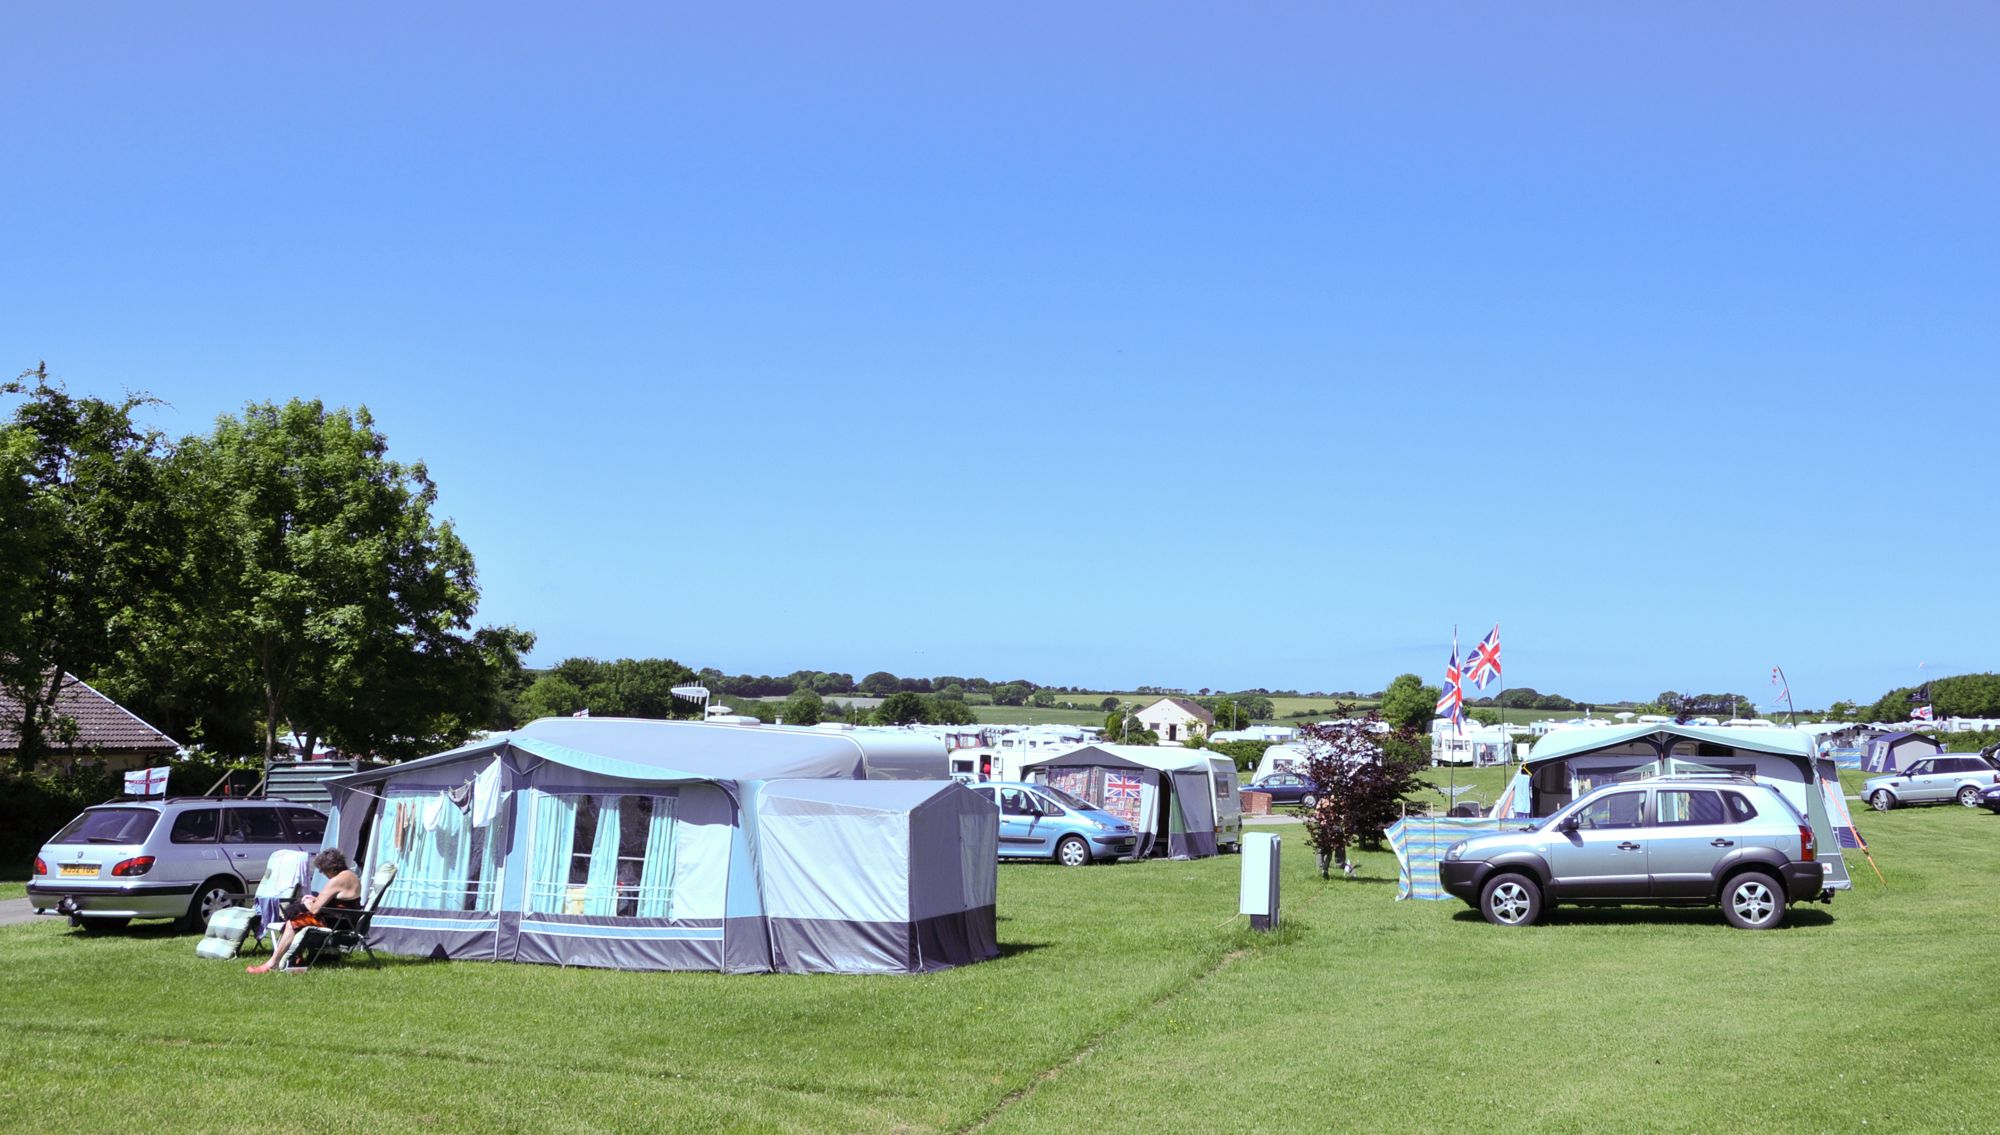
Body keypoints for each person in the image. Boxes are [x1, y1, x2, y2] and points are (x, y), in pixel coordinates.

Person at [246, 848, 363, 974]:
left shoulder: (337, 880)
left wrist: (307, 902)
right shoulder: (350, 875)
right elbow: (336, 901)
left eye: (324, 871)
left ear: (332, 868)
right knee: (296, 915)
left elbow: (315, 910)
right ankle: (295, 957)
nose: (324, 874)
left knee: (292, 923)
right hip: (345, 918)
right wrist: (315, 899)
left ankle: (273, 963)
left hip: (338, 921)